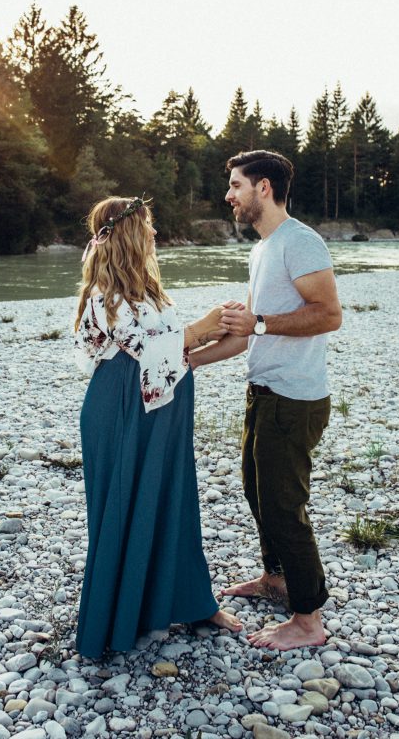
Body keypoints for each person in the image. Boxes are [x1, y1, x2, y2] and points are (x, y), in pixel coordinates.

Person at [73, 195, 242, 659]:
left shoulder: (147, 290)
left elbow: (167, 348)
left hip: (161, 409)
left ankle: (189, 602)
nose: (153, 233)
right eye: (147, 225)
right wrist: (202, 326)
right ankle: (121, 615)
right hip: (123, 411)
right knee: (127, 505)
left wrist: (216, 334)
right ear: (127, 233)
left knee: (172, 498)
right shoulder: (103, 295)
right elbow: (141, 349)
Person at [190, 151, 342, 651]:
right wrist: (184, 361)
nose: (228, 195)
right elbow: (245, 335)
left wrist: (261, 323)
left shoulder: (299, 242)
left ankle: (308, 620)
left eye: (235, 185)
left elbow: (328, 315)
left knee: (283, 507)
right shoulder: (263, 249)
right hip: (263, 393)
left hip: (294, 399)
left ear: (264, 188)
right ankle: (276, 578)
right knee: (257, 494)